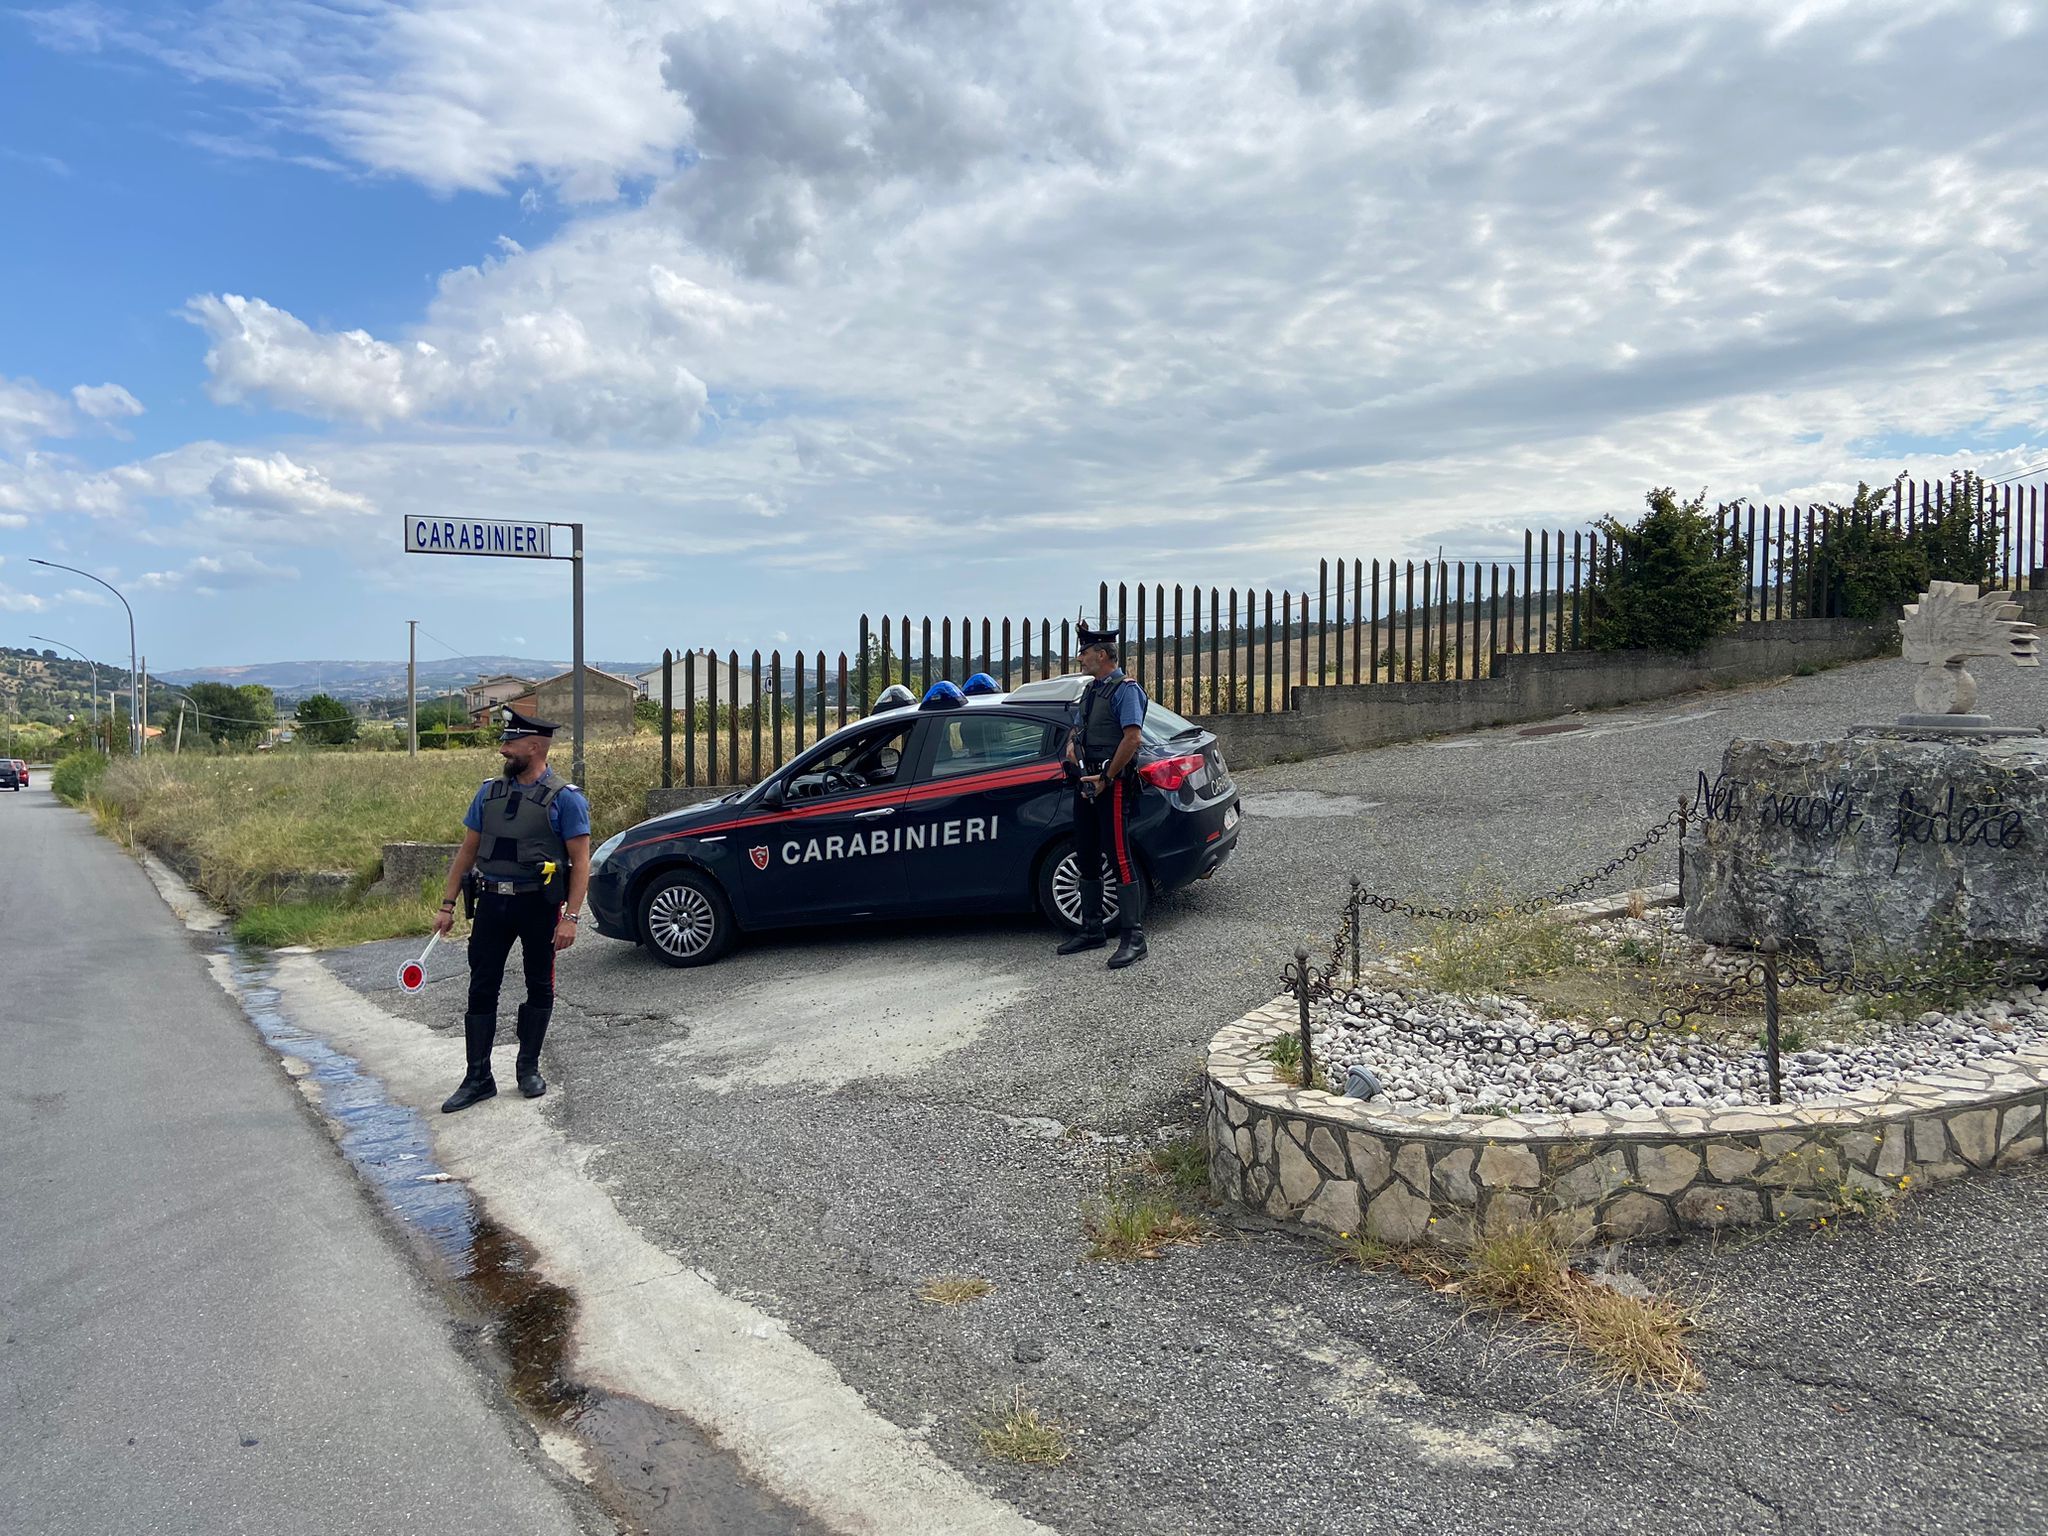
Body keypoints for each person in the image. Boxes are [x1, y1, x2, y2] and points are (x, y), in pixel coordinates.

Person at [433, 706, 592, 1112]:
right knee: (481, 986)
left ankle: (528, 1068)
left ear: (535, 746)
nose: (503, 750)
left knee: (539, 984)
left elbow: (581, 863)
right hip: (491, 904)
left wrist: (571, 918)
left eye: (511, 743)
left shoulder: (565, 800)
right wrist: (447, 905)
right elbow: (466, 852)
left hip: (537, 905)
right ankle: (478, 1077)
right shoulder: (488, 793)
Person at [1058, 624, 1149, 968]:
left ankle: (1133, 937)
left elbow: (1132, 739)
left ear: (1102, 654)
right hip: (1086, 780)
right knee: (1086, 852)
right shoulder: (1093, 691)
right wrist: (1071, 747)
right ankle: (1092, 928)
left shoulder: (1126, 691)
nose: (1080, 658)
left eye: (1084, 652)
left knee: (1119, 856)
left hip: (1112, 783)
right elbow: (1078, 727)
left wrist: (1107, 777)